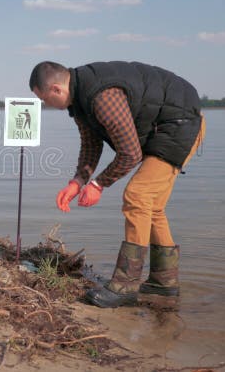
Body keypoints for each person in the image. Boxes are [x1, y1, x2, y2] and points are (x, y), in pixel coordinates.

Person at [29, 60, 205, 308]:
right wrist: (78, 182)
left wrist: (99, 185)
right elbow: (91, 144)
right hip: (163, 127)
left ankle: (126, 286)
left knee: (138, 196)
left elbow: (130, 153)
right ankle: (164, 285)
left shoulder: (102, 95)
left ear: (56, 89)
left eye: (44, 99)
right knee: (150, 207)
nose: (45, 105)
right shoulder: (79, 102)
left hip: (179, 125)